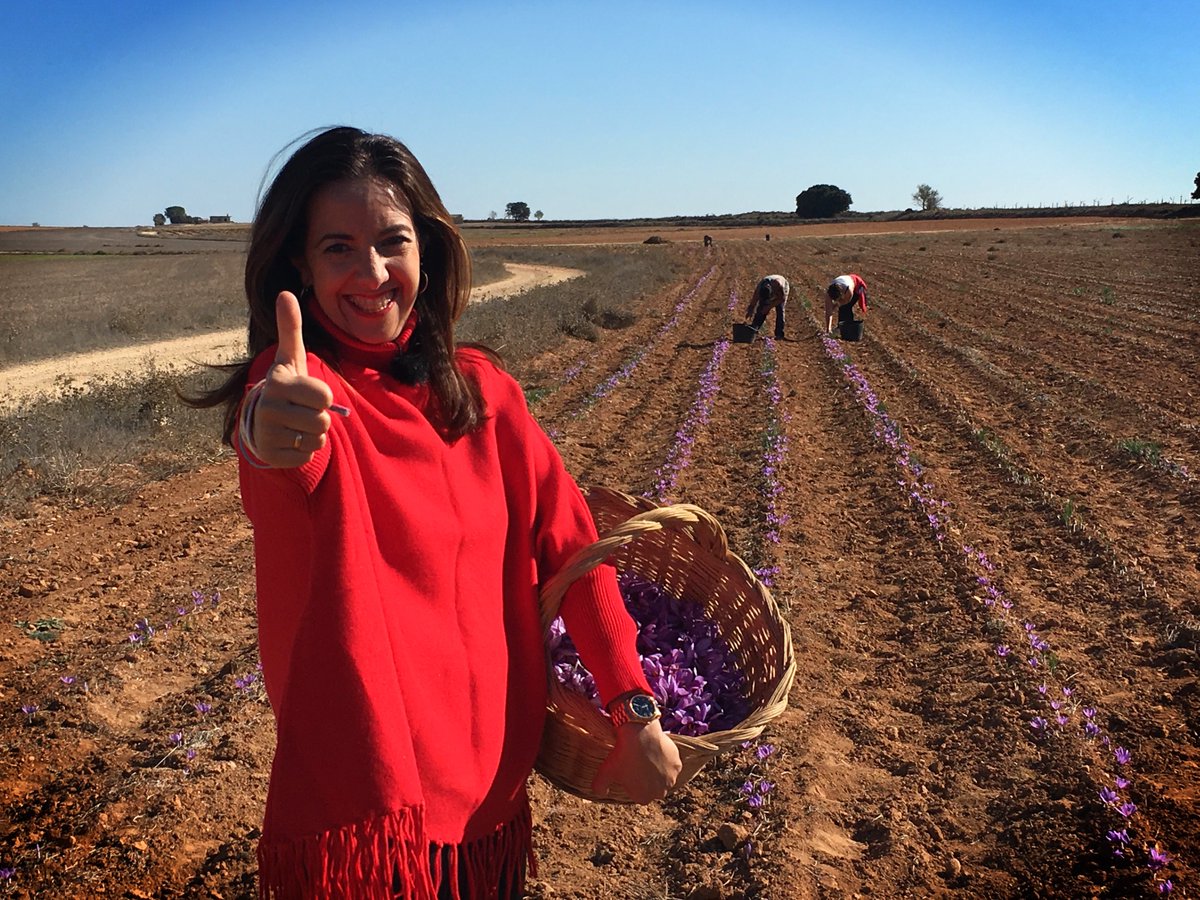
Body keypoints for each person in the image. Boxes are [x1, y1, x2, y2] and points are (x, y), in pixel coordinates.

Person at [188, 126, 681, 899]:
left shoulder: (486, 393)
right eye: (338, 249)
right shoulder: (306, 392)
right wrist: (266, 429)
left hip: (490, 793)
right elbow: (280, 454)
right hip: (371, 813)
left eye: (393, 242)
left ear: (428, 249)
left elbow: (575, 550)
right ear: (299, 265)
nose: (372, 273)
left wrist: (634, 705)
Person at [744, 274, 789, 339]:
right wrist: (751, 310)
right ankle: (754, 329)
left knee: (780, 309)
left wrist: (768, 307)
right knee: (761, 308)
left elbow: (781, 299)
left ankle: (779, 334)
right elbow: (754, 299)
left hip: (782, 289)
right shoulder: (759, 288)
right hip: (769, 291)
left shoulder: (777, 284)